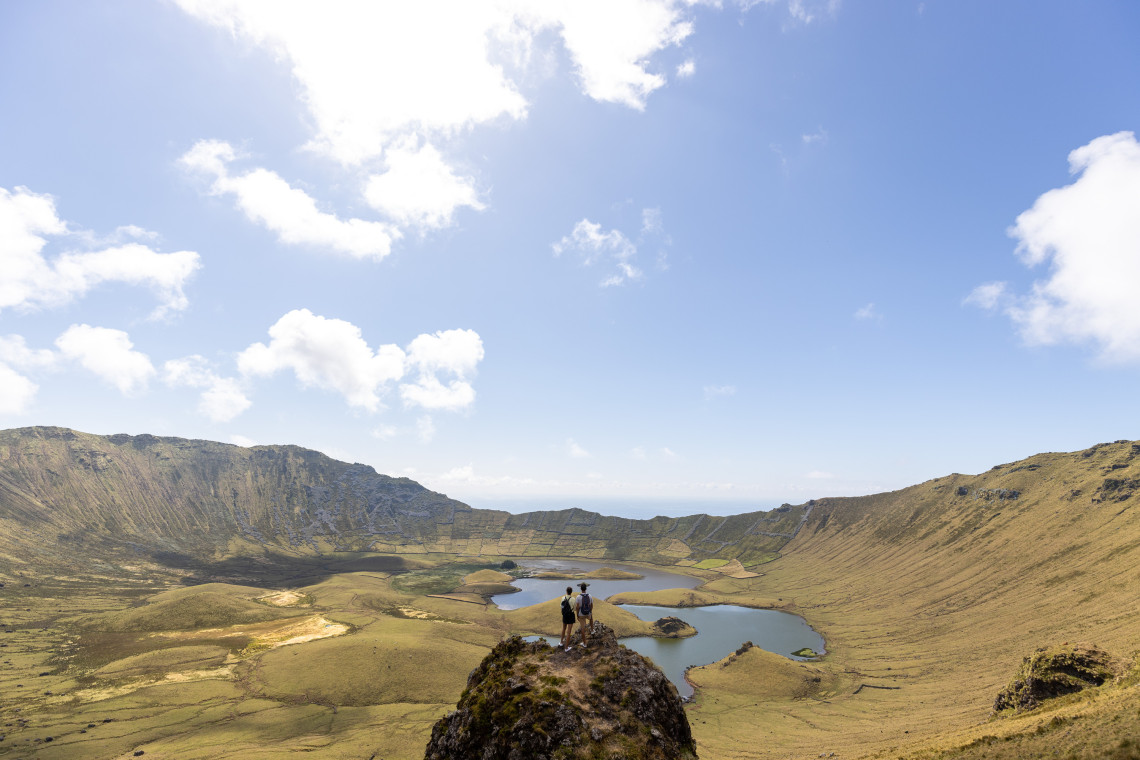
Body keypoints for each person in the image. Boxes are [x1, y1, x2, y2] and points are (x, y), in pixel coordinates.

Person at [574, 581, 594, 648]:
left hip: (581, 614)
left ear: (581, 589)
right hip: (588, 613)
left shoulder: (578, 597)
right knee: (591, 617)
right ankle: (592, 630)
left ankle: (585, 644)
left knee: (582, 629)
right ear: (586, 589)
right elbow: (591, 605)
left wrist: (577, 615)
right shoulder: (590, 596)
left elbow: (577, 607)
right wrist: (590, 611)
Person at [559, 586, 576, 651]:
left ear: (566, 591)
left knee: (563, 629)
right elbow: (574, 609)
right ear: (571, 592)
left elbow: (561, 607)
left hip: (565, 615)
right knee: (569, 632)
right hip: (571, 615)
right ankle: (566, 648)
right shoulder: (573, 599)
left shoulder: (563, 598)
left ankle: (561, 643)